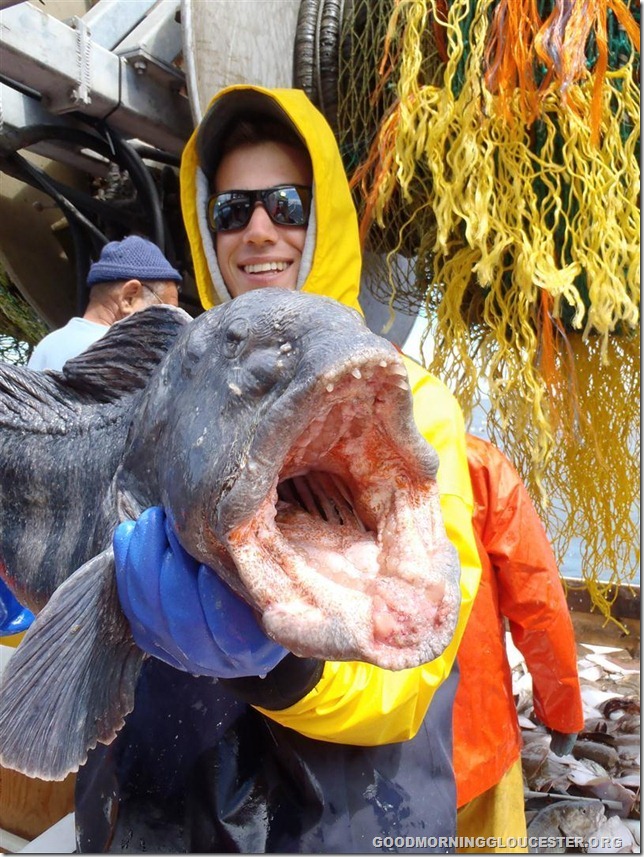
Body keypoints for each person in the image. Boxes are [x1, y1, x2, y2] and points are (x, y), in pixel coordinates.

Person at [73, 85, 483, 853]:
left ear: (324, 220)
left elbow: (418, 652)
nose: (259, 230)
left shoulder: (405, 398)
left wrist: (282, 670)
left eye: (287, 204)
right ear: (205, 228)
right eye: (233, 210)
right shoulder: (165, 389)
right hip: (155, 814)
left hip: (336, 821)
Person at [454, 434, 584, 853]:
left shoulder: (288, 454)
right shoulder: (473, 461)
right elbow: (538, 603)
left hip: (325, 749)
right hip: (473, 743)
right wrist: (562, 711)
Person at [27, 235, 182, 371]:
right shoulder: (125, 356)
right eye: (166, 312)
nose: (170, 325)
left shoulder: (47, 346)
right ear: (129, 298)